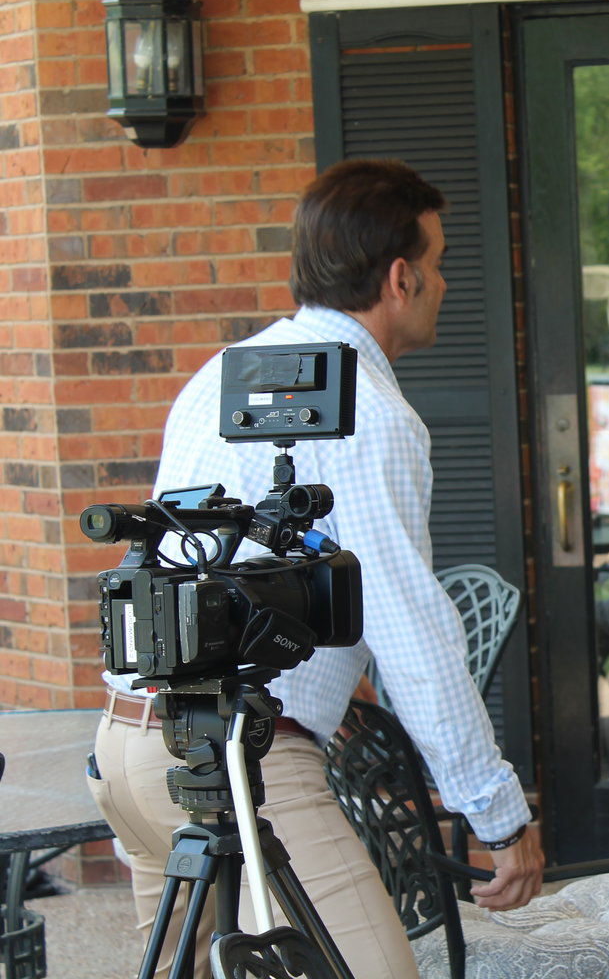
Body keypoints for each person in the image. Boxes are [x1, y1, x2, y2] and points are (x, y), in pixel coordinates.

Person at [88, 159, 543, 979]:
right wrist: (498, 813)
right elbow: (408, 630)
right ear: (400, 278)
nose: (443, 283)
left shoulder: (224, 373)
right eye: (438, 263)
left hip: (132, 745)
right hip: (241, 759)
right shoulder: (368, 410)